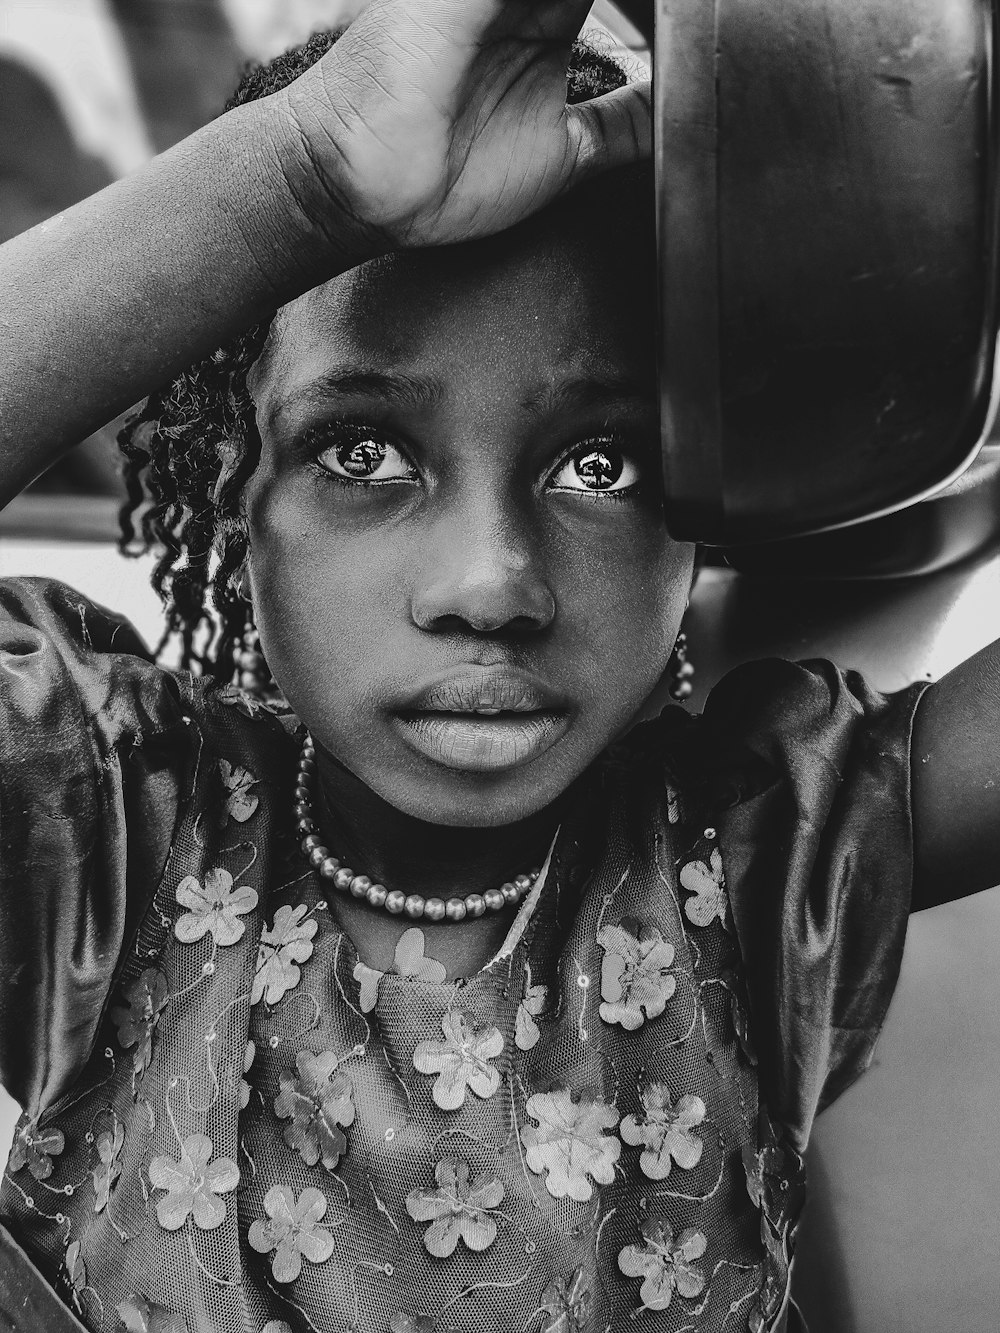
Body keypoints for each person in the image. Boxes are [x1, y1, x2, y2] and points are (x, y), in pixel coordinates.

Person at [0, 3, 991, 1330]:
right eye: (364, 451)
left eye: (602, 462)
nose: (493, 583)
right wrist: (309, 169)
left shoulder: (761, 850)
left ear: (698, 502)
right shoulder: (102, 829)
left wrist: (912, 150)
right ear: (237, 490)